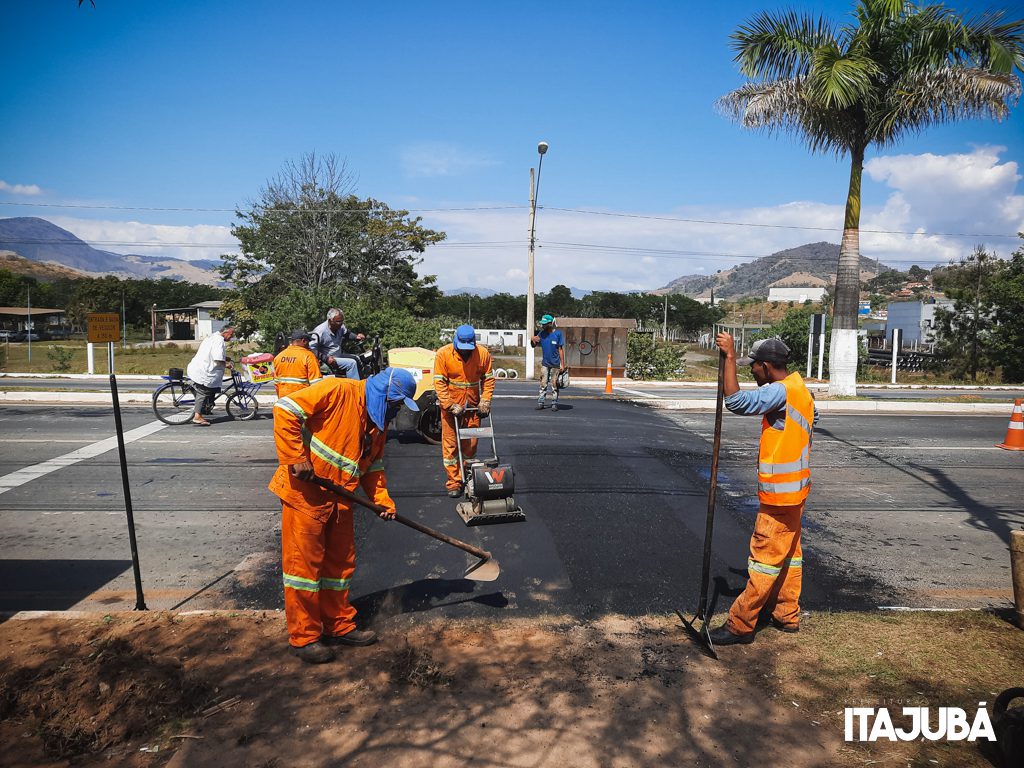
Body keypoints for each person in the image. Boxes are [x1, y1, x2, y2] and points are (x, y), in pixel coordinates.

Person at [270, 367, 420, 664]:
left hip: (340, 498)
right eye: (396, 403)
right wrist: (297, 458)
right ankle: (304, 637)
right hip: (306, 497)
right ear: (383, 394)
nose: (396, 410)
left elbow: (373, 465)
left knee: (339, 567)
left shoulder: (379, 423)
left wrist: (382, 500)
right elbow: (285, 409)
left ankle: (338, 625)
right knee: (304, 571)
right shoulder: (337, 390)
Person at [709, 332, 817, 647]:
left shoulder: (780, 392)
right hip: (796, 492)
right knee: (790, 556)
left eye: (753, 366)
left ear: (767, 366)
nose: (751, 371)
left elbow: (736, 402)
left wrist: (729, 356)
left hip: (779, 495)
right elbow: (813, 421)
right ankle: (786, 614)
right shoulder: (801, 391)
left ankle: (741, 625)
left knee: (764, 558)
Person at [433, 324, 495, 498]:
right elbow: (439, 383)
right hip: (451, 408)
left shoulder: (482, 354)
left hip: (473, 407)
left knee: (471, 445)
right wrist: (450, 404)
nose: (466, 352)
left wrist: (485, 400)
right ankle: (454, 482)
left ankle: (467, 476)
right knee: (450, 445)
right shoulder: (443, 354)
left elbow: (488, 380)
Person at [185, 327, 235, 427]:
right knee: (203, 391)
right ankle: (197, 416)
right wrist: (227, 365)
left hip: (198, 366)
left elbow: (214, 354)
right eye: (231, 334)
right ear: (225, 332)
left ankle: (205, 408)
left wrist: (226, 358)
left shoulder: (212, 337)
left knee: (210, 389)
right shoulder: (219, 341)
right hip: (203, 370)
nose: (232, 337)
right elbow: (217, 358)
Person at [310, 308, 365, 380]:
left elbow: (347, 334)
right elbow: (312, 348)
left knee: (357, 358)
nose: (341, 323)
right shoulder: (320, 331)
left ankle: (362, 382)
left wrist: (356, 337)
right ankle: (355, 388)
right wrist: (326, 358)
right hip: (328, 359)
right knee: (351, 363)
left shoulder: (340, 327)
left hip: (338, 355)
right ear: (330, 321)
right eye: (338, 321)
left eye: (342, 321)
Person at [273, 329, 323, 399]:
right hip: (302, 401)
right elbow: (316, 384)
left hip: (284, 400)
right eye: (308, 342)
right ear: (304, 341)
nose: (308, 345)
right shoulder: (309, 356)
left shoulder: (279, 357)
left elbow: (276, 383)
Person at [531, 313, 566, 411]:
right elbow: (534, 345)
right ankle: (541, 402)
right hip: (545, 364)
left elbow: (560, 350)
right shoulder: (541, 333)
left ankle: (554, 403)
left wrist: (562, 365)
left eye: (545, 324)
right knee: (543, 384)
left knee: (554, 384)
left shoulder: (558, 334)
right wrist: (532, 340)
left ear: (550, 323)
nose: (543, 326)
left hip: (555, 364)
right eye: (542, 324)